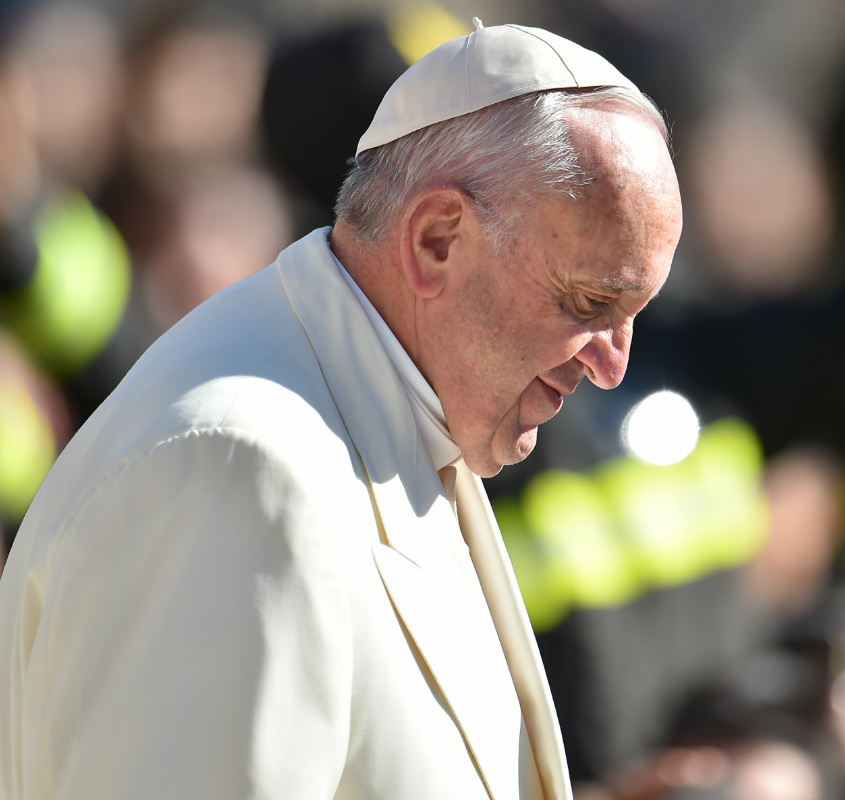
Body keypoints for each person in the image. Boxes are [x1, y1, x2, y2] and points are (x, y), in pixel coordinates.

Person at [0, 19, 683, 800]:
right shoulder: (239, 469)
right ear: (435, 239)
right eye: (590, 301)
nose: (611, 364)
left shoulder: (396, 417)